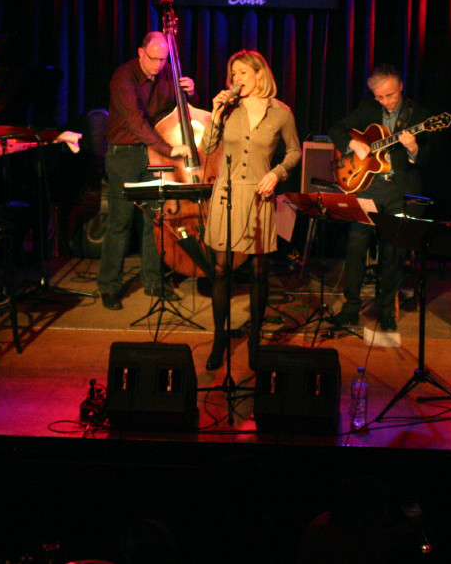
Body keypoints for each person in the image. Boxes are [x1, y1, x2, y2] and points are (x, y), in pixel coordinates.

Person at [200, 50, 301, 371]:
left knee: (259, 272)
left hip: (259, 196)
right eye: (234, 73)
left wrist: (277, 173)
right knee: (220, 270)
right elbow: (207, 147)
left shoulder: (281, 112)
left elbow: (295, 151)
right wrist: (215, 114)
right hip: (226, 194)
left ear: (259, 74)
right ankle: (219, 339)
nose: (236, 78)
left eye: (243, 72)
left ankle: (255, 339)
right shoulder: (228, 108)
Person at [96, 31, 196, 309]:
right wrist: (169, 149)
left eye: (163, 60)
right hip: (124, 155)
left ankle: (153, 282)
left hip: (152, 153)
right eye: (153, 58)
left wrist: (190, 92)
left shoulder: (166, 74)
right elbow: (136, 122)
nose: (158, 65)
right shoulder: (124, 77)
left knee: (155, 221)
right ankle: (109, 286)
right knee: (120, 222)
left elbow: (181, 110)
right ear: (141, 53)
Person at [330, 65, 433, 332]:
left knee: (393, 253)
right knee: (356, 246)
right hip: (368, 188)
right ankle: (351, 307)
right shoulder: (368, 108)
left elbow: (427, 159)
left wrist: (413, 148)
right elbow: (337, 129)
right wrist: (354, 144)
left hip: (399, 192)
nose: (385, 102)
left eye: (390, 95)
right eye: (379, 97)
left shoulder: (419, 114)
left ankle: (385, 310)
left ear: (401, 87)